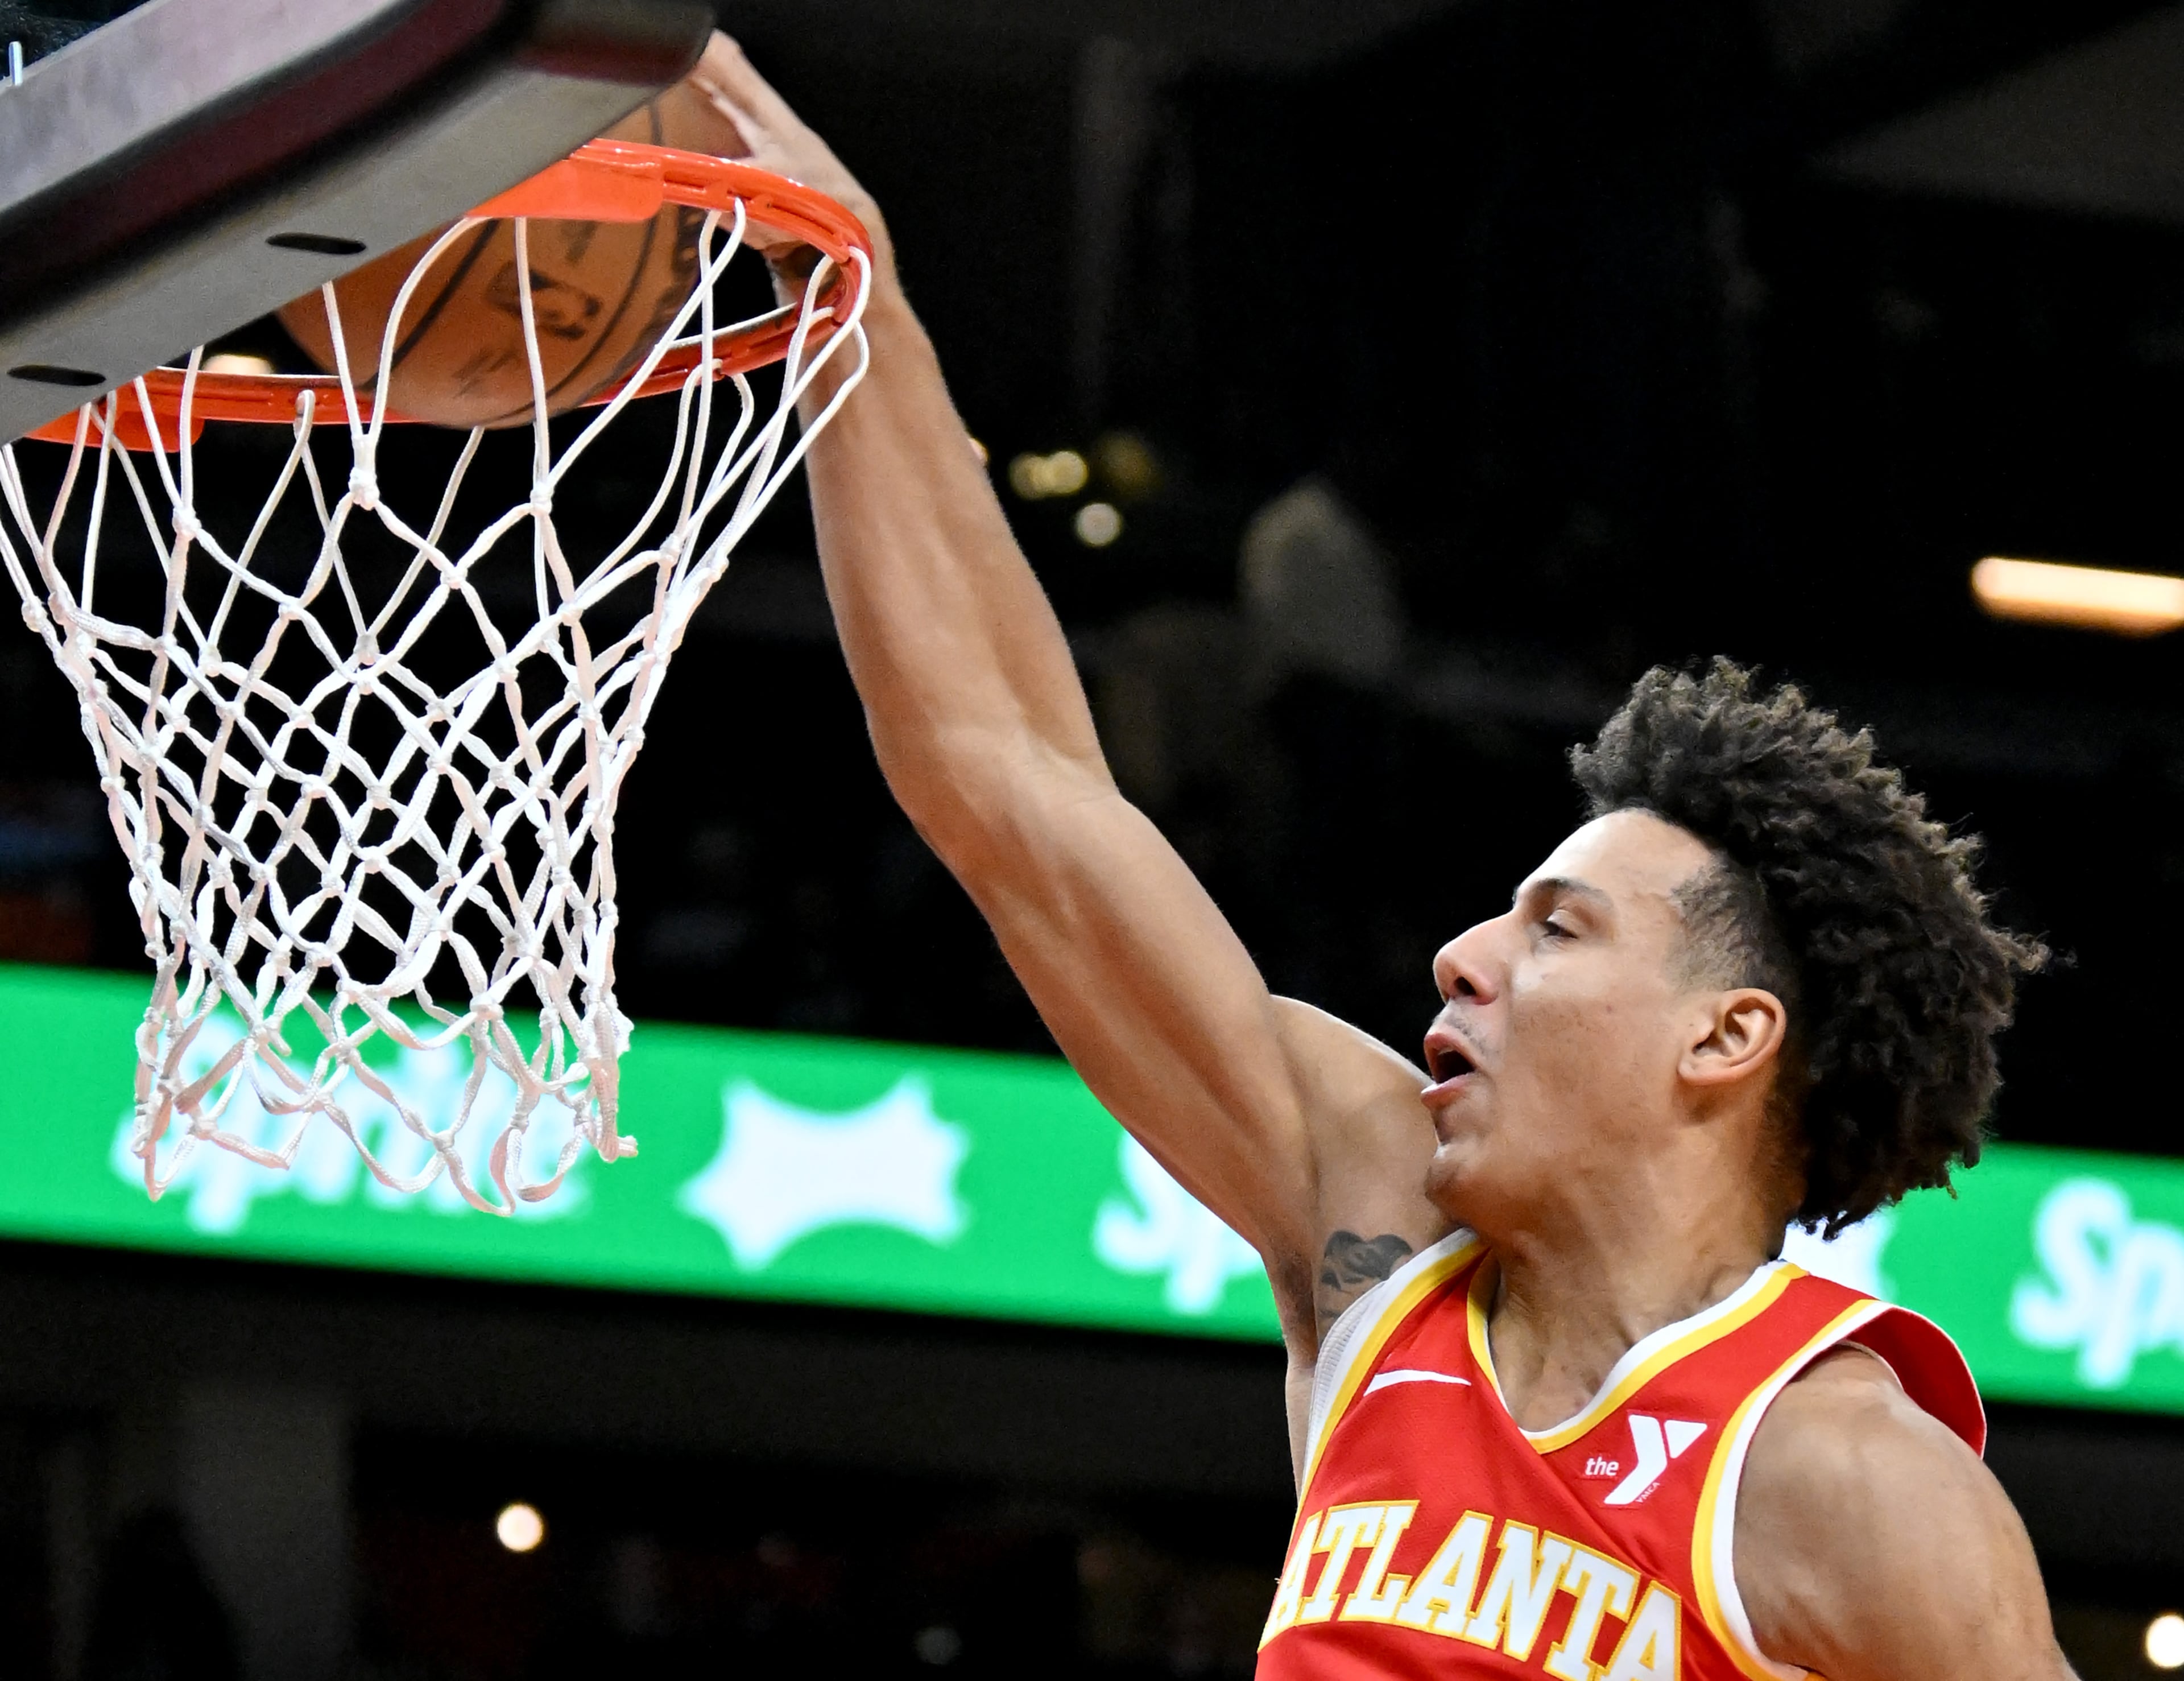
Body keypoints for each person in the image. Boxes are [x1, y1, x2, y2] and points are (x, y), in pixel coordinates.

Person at [690, 42, 2070, 1681]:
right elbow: (1010, 784)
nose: (1461, 958)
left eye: (1558, 931)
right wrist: (866, 313)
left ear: (1724, 1034)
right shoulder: (1374, 1226)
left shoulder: (1850, 1482)